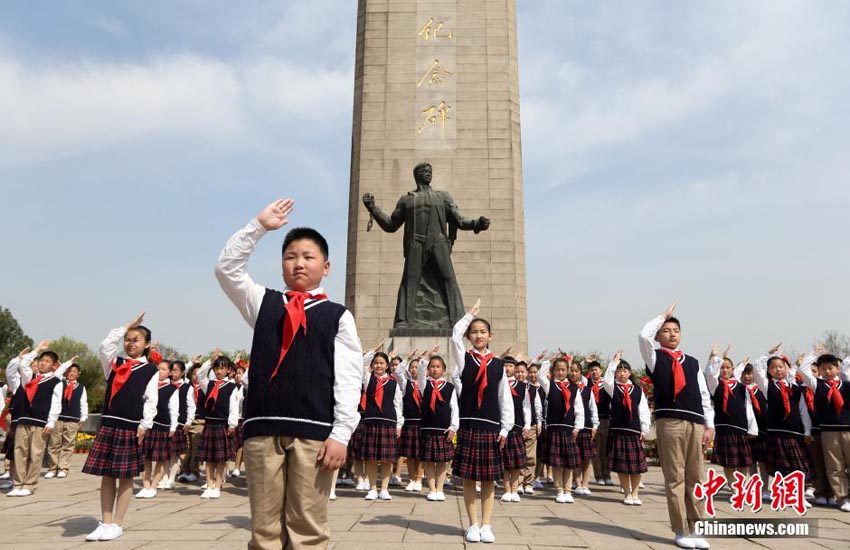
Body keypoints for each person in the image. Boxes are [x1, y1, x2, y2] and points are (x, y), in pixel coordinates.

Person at [215, 198, 362, 550]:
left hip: (314, 434)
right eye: (290, 256)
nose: (299, 263)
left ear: (325, 267)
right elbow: (226, 270)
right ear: (281, 266)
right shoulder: (262, 302)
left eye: (308, 257)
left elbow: (348, 376)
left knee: (307, 528)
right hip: (263, 429)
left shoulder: (337, 315)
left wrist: (341, 433)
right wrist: (259, 227)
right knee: (264, 530)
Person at [639, 302, 713, 550]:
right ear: (659, 335)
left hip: (695, 421)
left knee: (696, 477)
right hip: (669, 421)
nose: (671, 334)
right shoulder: (655, 357)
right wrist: (662, 316)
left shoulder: (692, 362)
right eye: (666, 330)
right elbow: (643, 336)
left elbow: (703, 394)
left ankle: (697, 527)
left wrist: (709, 424)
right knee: (675, 477)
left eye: (675, 330)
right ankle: (681, 529)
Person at [83, 313, 159, 542]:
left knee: (125, 477)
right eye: (127, 339)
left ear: (146, 345)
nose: (130, 343)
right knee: (107, 476)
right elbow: (105, 345)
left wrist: (145, 425)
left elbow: (151, 400)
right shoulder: (114, 363)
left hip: (130, 427)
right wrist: (127, 326)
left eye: (136, 339)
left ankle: (118, 523)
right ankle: (105, 522)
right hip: (109, 424)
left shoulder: (150, 371)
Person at [451, 299, 514, 544]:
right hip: (469, 423)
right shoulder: (465, 359)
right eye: (474, 332)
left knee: (488, 478)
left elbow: (503, 397)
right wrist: (469, 316)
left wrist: (506, 427)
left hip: (490, 426)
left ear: (490, 336)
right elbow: (454, 337)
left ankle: (487, 524)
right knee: (469, 477)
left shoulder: (498, 365)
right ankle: (472, 524)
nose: (478, 335)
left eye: (482, 332)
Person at [11, 341, 75, 497]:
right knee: (19, 452)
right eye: (41, 360)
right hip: (24, 419)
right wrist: (37, 350)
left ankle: (29, 484)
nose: (43, 363)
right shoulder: (30, 378)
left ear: (54, 365)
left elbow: (56, 404)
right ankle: (18, 483)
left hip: (41, 422)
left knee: (36, 454)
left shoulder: (56, 381)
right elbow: (24, 365)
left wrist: (51, 422)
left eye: (47, 361)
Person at [753, 344, 812, 492]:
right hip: (777, 432)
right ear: (768, 371)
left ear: (787, 368)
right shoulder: (768, 387)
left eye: (780, 366)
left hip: (795, 432)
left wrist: (807, 431)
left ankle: (797, 494)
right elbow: (756, 370)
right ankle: (784, 493)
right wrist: (768, 353)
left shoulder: (796, 388)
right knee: (782, 467)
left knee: (798, 467)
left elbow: (803, 411)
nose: (778, 369)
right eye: (773, 367)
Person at [798, 346, 850, 512]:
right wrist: (814, 354)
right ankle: (842, 498)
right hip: (828, 432)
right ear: (819, 370)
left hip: (848, 430)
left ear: (838, 368)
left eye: (831, 368)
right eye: (823, 369)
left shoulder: (847, 385)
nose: (827, 371)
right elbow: (803, 369)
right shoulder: (817, 385)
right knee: (835, 467)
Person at [704, 346, 758, 482]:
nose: (725, 370)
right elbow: (710, 374)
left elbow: (748, 408)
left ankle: (741, 485)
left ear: (733, 370)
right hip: (724, 428)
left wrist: (752, 427)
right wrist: (714, 358)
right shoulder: (715, 385)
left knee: (742, 461)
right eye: (722, 367)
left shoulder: (741, 387)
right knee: (728, 462)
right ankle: (733, 486)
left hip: (740, 428)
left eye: (728, 367)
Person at [603, 351, 651, 505]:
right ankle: (627, 493)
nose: (622, 374)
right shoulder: (613, 388)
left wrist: (644, 429)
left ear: (630, 373)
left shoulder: (637, 390)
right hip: (618, 430)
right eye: (619, 370)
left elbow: (643, 410)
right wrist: (613, 363)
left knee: (636, 467)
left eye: (625, 371)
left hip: (634, 431)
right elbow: (607, 380)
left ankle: (635, 493)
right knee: (622, 466)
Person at [355, 351, 403, 500]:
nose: (378, 365)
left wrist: (399, 424)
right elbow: (363, 363)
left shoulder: (393, 382)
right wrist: (374, 352)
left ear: (387, 365)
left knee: (387, 458)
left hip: (388, 422)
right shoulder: (368, 379)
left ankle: (384, 488)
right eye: (376, 363)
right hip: (371, 422)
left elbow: (398, 404)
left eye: (382, 363)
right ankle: (372, 488)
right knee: (371, 458)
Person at [538, 354, 585, 503]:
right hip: (554, 428)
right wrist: (547, 361)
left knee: (569, 463)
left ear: (568, 370)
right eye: (557, 370)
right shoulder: (549, 385)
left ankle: (568, 490)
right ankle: (559, 491)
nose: (560, 373)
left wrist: (578, 427)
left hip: (569, 429)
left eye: (563, 370)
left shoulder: (574, 387)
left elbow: (579, 409)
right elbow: (540, 376)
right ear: (553, 371)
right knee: (557, 463)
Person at [413, 354, 458, 501]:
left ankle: (440, 489)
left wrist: (453, 427)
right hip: (427, 428)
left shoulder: (450, 387)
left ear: (444, 369)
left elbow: (454, 408)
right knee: (428, 462)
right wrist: (423, 361)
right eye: (432, 366)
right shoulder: (424, 384)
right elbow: (420, 373)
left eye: (438, 366)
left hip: (443, 430)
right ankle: (431, 489)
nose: (435, 369)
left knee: (442, 462)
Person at [196, 355, 239, 499]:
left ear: (228, 370)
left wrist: (232, 424)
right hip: (210, 423)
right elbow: (200, 374)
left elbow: (234, 407)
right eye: (217, 368)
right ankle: (209, 485)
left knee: (221, 459)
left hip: (222, 424)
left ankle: (218, 485)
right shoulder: (208, 384)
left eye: (222, 368)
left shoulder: (232, 387)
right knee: (209, 458)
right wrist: (210, 361)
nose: (219, 371)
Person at [138, 358, 179, 498]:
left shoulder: (172, 388)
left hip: (163, 425)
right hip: (148, 424)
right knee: (147, 457)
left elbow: (174, 409)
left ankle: (154, 485)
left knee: (160, 458)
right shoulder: (149, 385)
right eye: (158, 368)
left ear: (169, 373)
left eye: (164, 369)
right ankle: (146, 485)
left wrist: (173, 426)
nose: (160, 372)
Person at [734, 361, 770, 502]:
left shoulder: (761, 389)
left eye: (750, 374)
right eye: (744, 374)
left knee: (763, 462)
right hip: (746, 430)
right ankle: (755, 487)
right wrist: (740, 366)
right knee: (750, 462)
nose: (747, 377)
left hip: (762, 430)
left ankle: (765, 488)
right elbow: (735, 376)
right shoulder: (739, 390)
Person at [46, 362, 88, 479]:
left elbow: (83, 402)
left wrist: (83, 416)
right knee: (54, 444)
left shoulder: (81, 387)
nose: (71, 373)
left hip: (73, 419)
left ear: (78, 374)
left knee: (68, 445)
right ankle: (52, 468)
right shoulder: (60, 383)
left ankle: (63, 468)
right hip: (58, 418)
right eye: (69, 371)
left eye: (74, 372)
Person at [500, 356, 531, 503]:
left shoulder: (522, 386)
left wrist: (527, 425)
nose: (507, 369)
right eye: (505, 366)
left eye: (510, 366)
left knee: (517, 463)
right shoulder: (497, 384)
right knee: (505, 463)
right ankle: (506, 490)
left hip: (517, 427)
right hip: (502, 429)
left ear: (515, 368)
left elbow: (527, 407)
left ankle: (514, 489)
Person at [396, 350, 425, 492]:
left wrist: (423, 362)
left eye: (417, 367)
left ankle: (419, 478)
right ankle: (411, 479)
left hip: (421, 423)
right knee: (410, 454)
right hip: (409, 422)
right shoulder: (405, 384)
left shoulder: (425, 384)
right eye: (412, 367)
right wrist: (407, 358)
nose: (414, 369)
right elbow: (398, 372)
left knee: (420, 454)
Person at [165, 359, 195, 489]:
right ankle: (164, 477)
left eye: (176, 370)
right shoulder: (165, 384)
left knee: (175, 453)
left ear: (183, 372)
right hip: (164, 422)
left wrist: (189, 421)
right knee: (164, 453)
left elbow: (191, 405)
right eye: (172, 370)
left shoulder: (187, 387)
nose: (173, 373)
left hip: (180, 423)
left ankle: (171, 478)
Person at [516, 358, 543, 494]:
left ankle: (529, 482)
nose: (520, 374)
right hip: (516, 426)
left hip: (531, 426)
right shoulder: (511, 386)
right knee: (519, 455)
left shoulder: (532, 388)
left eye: (522, 372)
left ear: (526, 373)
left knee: (530, 456)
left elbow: (538, 407)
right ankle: (519, 482)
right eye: (517, 372)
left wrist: (539, 422)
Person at [572, 361, 599, 496]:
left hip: (586, 427)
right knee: (575, 457)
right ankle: (577, 484)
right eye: (571, 370)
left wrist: (595, 425)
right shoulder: (566, 388)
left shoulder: (588, 390)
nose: (573, 373)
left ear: (580, 373)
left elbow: (593, 409)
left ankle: (585, 484)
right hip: (572, 428)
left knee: (586, 458)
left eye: (576, 371)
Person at [587, 360, 613, 486]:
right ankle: (598, 476)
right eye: (591, 370)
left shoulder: (607, 385)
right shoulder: (587, 385)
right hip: (593, 421)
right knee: (595, 450)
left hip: (606, 419)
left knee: (606, 449)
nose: (594, 372)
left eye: (596, 369)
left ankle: (607, 474)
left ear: (601, 370)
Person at [178, 362, 205, 483]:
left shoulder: (205, 388)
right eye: (194, 374)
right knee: (185, 448)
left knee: (195, 448)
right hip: (186, 420)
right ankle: (184, 470)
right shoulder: (186, 386)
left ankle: (194, 471)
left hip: (199, 421)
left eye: (199, 374)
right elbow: (180, 372)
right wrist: (190, 364)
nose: (196, 376)